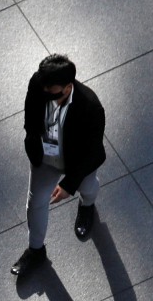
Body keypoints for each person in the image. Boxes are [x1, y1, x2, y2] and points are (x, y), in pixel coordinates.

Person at [12, 54, 107, 275]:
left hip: (77, 163)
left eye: (51, 91)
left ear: (67, 87)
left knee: (88, 187)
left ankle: (87, 206)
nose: (44, 93)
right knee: (36, 202)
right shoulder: (40, 83)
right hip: (45, 157)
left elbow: (94, 153)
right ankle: (36, 250)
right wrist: (32, 140)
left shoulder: (91, 107)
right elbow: (30, 115)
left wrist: (68, 184)